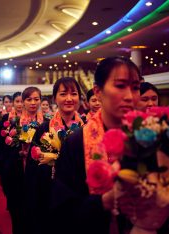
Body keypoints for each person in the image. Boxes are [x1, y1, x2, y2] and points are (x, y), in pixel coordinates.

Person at [50, 57, 142, 234]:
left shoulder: (149, 137)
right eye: (120, 86)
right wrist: (104, 202)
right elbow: (62, 209)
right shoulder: (76, 142)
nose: (130, 96)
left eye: (135, 88)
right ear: (98, 91)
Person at [25, 77, 85, 234]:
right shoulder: (43, 129)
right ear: (55, 98)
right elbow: (32, 168)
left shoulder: (87, 129)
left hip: (80, 197)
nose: (69, 99)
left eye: (74, 94)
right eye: (63, 94)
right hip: (49, 194)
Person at [0, 87, 44, 234]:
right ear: (23, 102)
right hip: (17, 176)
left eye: (36, 99)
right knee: (19, 217)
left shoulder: (48, 123)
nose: (33, 103)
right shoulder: (14, 124)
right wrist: (19, 153)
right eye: (29, 99)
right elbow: (4, 153)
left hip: (40, 177)